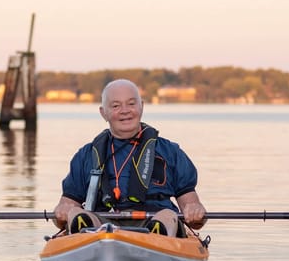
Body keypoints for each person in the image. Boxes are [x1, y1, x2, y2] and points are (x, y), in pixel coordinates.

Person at [53, 79, 207, 236]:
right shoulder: (85, 155)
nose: (125, 110)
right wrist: (63, 210)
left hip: (156, 222)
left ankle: (157, 236)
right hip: (102, 227)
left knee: (167, 215)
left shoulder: (171, 152)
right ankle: (87, 233)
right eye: (115, 106)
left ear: (142, 107)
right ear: (103, 112)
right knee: (76, 213)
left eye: (131, 104)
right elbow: (62, 214)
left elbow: (194, 216)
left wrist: (195, 210)